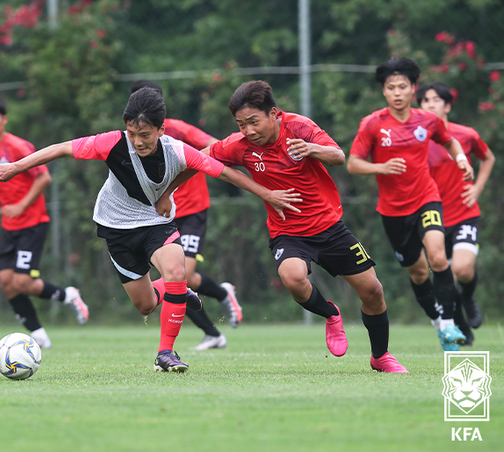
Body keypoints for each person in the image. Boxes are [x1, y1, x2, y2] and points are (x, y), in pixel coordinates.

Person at [0, 87, 296, 372]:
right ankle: (177, 294)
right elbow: (62, 149)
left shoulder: (178, 150)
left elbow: (225, 173)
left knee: (176, 269)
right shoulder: (112, 143)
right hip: (115, 228)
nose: (138, 141)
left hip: (156, 224)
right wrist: (15, 167)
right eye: (132, 133)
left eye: (145, 134)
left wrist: (267, 194)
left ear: (161, 129)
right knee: (145, 304)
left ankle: (165, 353)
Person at [164, 80, 408, 373]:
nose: (248, 131)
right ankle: (331, 314)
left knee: (373, 291)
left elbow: (339, 157)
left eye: (254, 122)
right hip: (288, 232)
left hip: (330, 226)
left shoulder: (300, 128)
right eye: (241, 124)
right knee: (292, 278)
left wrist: (311, 149)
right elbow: (197, 159)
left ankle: (380, 356)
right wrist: (167, 192)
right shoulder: (238, 146)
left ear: (274, 114)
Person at [347, 57, 475, 351]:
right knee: (418, 273)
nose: (397, 92)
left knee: (438, 257)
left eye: (402, 86)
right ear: (384, 91)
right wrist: (381, 168)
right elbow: (353, 164)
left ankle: (448, 322)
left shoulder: (427, 120)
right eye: (391, 87)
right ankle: (436, 321)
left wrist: (462, 160)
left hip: (426, 199)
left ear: (412, 88)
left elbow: (450, 140)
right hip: (392, 211)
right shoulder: (372, 124)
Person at [0, 94, 89, 349]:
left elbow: (43, 178)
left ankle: (68, 295)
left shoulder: (18, 146)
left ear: (4, 119)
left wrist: (20, 205)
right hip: (10, 227)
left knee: (22, 282)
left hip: (32, 222)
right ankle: (39, 336)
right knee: (7, 283)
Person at [130, 80, 242, 351]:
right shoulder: (133, 136)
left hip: (191, 210)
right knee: (176, 278)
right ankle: (212, 333)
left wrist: (190, 161)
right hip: (160, 216)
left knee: (182, 275)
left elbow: (216, 146)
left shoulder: (178, 129)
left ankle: (222, 293)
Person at [416, 82, 495, 347]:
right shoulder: (416, 140)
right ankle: (459, 324)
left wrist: (478, 187)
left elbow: (488, 158)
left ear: (447, 105)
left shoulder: (466, 135)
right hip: (432, 218)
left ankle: (469, 297)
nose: (430, 104)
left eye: (436, 99)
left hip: (463, 213)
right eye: (425, 100)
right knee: (443, 276)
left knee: (461, 269)